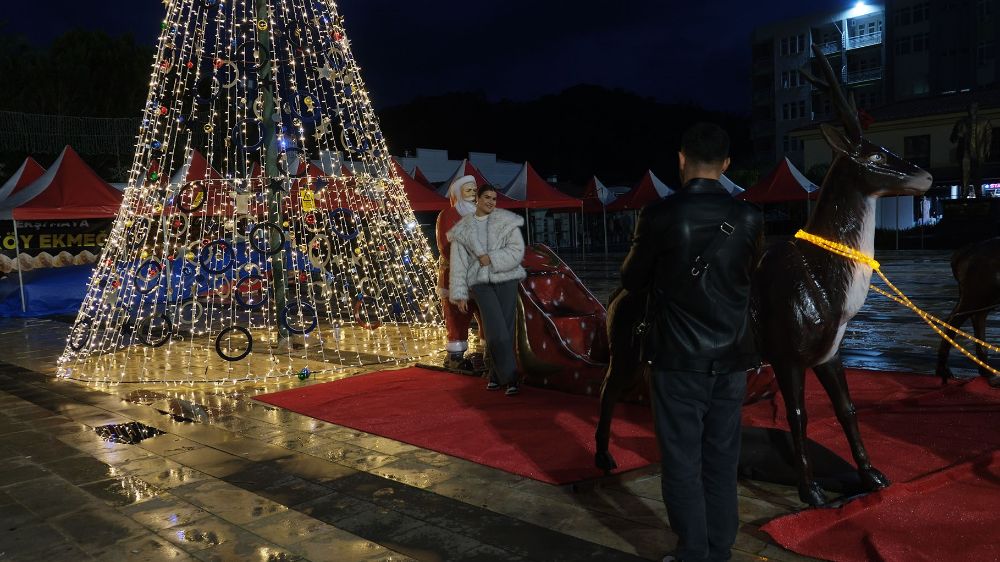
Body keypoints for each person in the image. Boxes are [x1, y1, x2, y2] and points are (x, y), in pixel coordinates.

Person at [621, 122, 764, 562]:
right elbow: (749, 279)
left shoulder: (659, 215)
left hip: (677, 357)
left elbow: (632, 279)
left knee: (682, 460)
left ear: (681, 160)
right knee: (721, 459)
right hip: (732, 357)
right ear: (725, 165)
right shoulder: (750, 217)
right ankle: (719, 549)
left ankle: (693, 552)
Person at [448, 184, 526, 395]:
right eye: (487, 197)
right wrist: (460, 292)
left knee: (505, 331)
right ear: (478, 200)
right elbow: (458, 262)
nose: (491, 201)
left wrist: (491, 258)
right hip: (481, 284)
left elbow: (517, 251)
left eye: (494, 198)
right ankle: (511, 378)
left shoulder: (505, 223)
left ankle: (493, 374)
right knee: (496, 332)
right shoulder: (464, 227)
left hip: (507, 280)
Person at [436, 174, 480, 369]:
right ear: (458, 194)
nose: (472, 194)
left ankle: (483, 352)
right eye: (468, 190)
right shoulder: (448, 215)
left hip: (482, 278)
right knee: (457, 317)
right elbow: (445, 246)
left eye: (474, 190)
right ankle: (455, 356)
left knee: (484, 315)